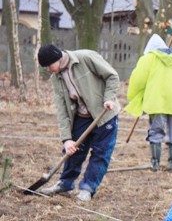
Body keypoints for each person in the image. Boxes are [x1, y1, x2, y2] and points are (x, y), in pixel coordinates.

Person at [37, 44, 120, 201]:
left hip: (105, 114)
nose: (48, 69)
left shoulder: (86, 57)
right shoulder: (56, 78)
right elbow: (62, 109)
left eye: (48, 65)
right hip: (82, 116)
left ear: (57, 58)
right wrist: (67, 139)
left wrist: (109, 97)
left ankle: (87, 188)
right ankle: (65, 184)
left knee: (101, 153)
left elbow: (112, 76)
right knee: (73, 151)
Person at [125, 34, 172, 172]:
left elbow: (137, 80)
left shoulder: (148, 59)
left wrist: (133, 95)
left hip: (156, 101)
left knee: (156, 131)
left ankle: (155, 163)